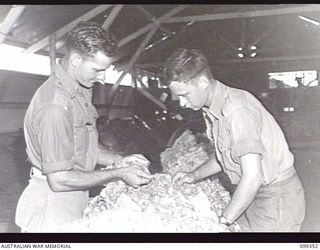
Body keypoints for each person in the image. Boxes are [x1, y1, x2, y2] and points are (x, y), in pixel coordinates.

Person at [15, 22, 153, 232]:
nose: (101, 77)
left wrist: (120, 161)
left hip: (74, 194)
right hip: (53, 202)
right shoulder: (55, 106)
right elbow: (60, 180)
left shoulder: (79, 90)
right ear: (76, 60)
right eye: (97, 70)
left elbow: (84, 147)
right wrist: (119, 173)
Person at [163, 48, 305, 232]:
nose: (182, 103)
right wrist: (194, 175)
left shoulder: (236, 110)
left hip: (275, 200)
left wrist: (223, 221)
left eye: (185, 95)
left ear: (203, 81)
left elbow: (253, 177)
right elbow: (225, 156)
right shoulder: (213, 108)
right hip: (255, 196)